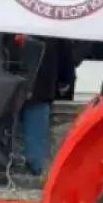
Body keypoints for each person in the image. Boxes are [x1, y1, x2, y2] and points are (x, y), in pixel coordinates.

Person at [20, 35, 76, 175]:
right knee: (36, 138)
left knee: (10, 135)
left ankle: (17, 171)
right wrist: (65, 80)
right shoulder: (52, 26)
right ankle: (35, 173)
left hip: (8, 86)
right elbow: (66, 55)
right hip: (41, 87)